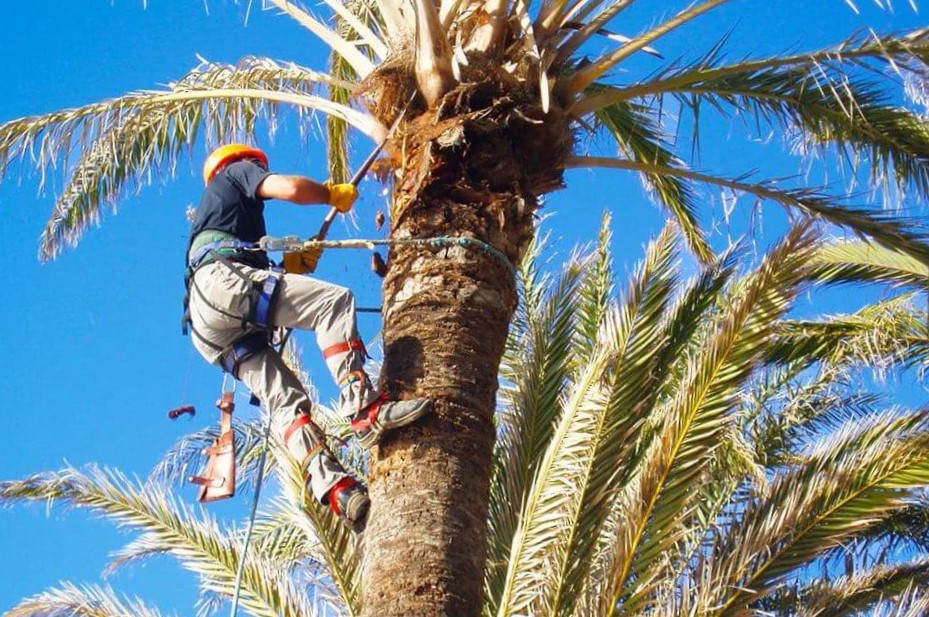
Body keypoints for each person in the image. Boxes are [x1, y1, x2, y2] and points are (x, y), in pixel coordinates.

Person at [183, 144, 431, 529]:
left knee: (286, 400)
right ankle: (363, 409)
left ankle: (337, 490)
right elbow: (290, 189)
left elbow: (249, 273)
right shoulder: (234, 174)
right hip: (221, 283)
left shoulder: (218, 218)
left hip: (209, 329)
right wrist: (330, 194)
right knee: (333, 302)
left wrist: (288, 266)